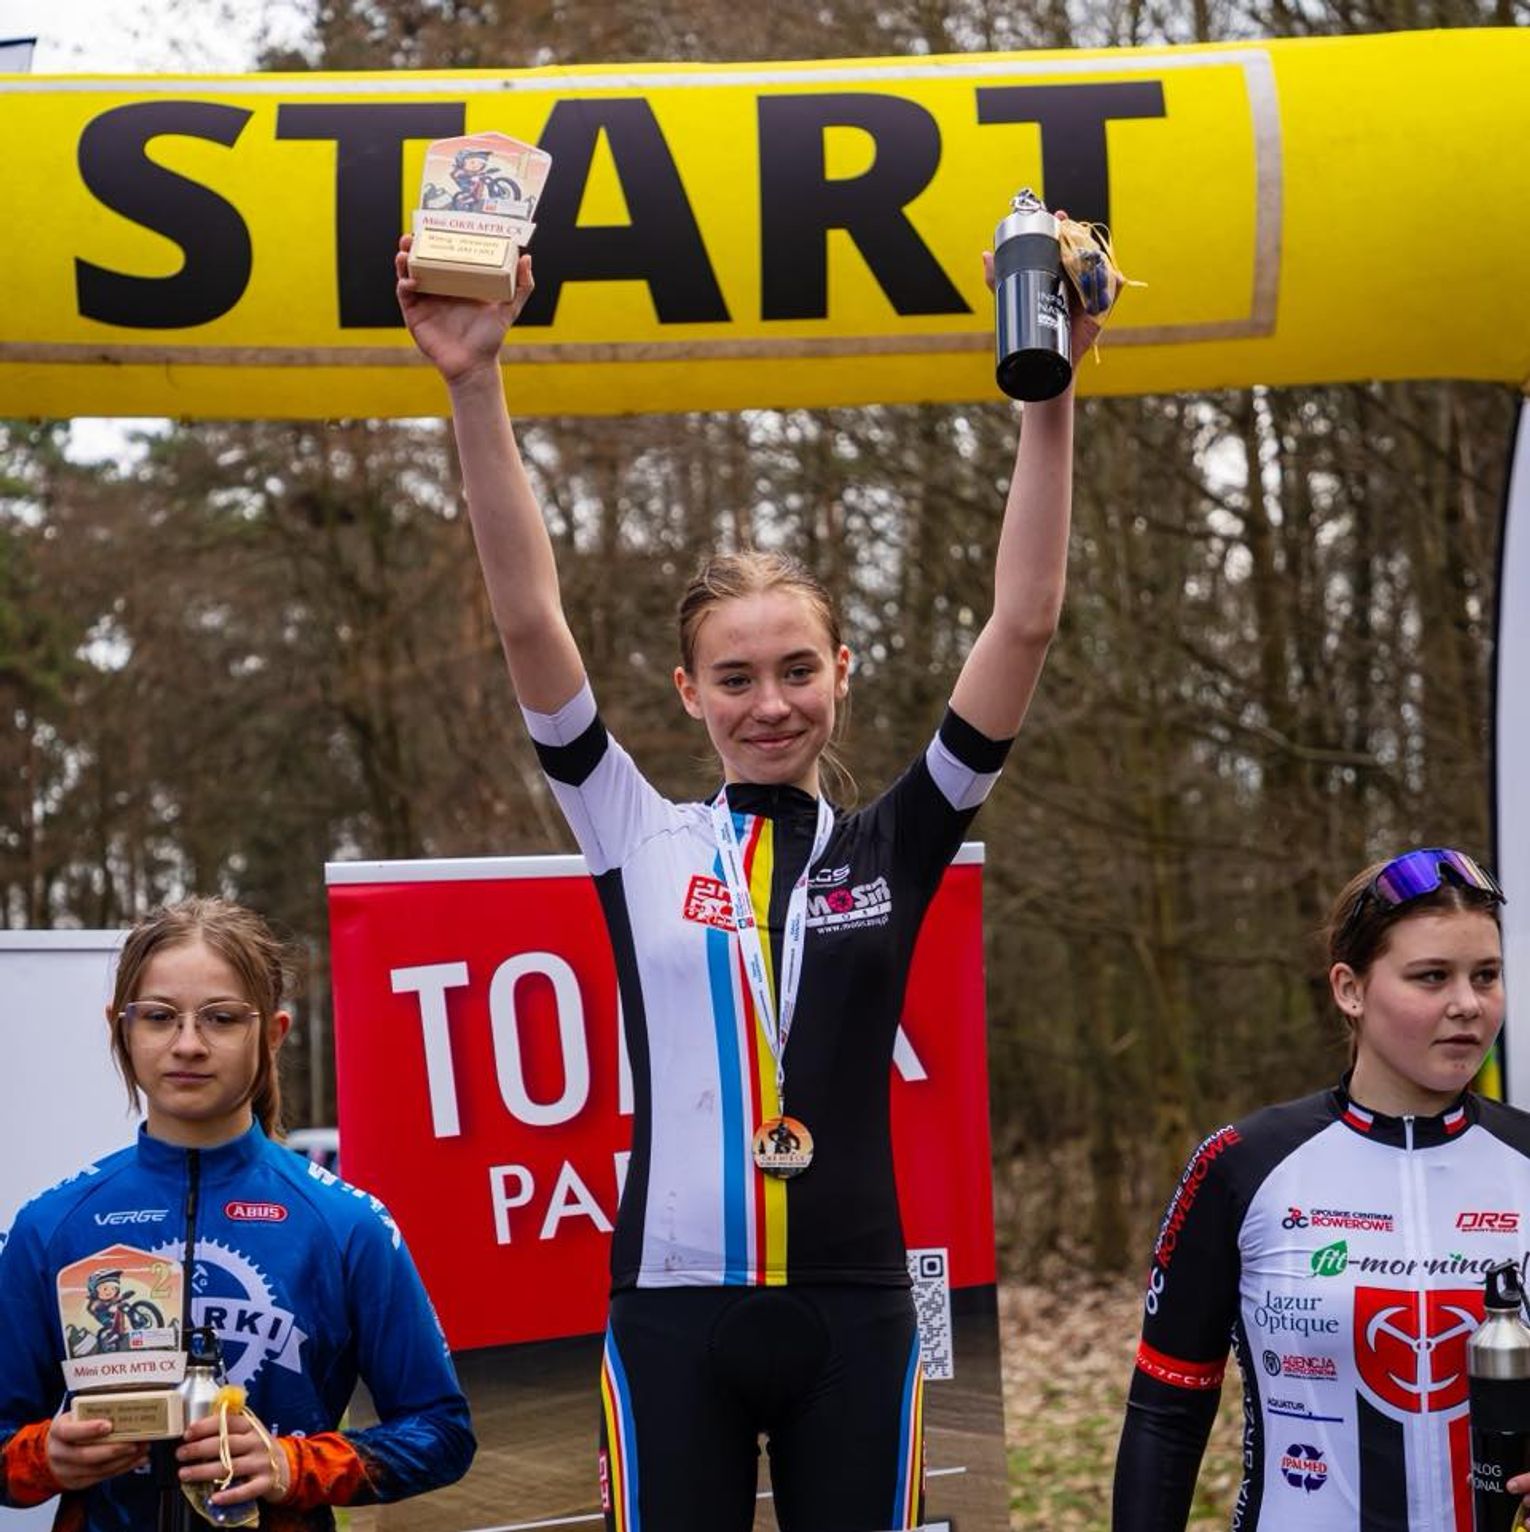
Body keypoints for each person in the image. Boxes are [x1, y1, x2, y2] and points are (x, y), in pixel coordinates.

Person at [398, 237, 1097, 1532]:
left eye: (795, 670)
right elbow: (529, 620)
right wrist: (473, 381)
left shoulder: (898, 840)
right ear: (688, 692)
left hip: (855, 1309)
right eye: (735, 677)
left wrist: (1049, 393)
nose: (769, 703)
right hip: (670, 1313)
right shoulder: (631, 831)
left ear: (842, 671)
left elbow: (1026, 618)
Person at [0, 897, 475, 1529]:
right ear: (121, 1028)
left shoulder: (347, 1224)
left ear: (272, 1034)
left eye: (221, 1019)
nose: (188, 1045)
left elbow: (442, 1433)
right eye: (159, 1017)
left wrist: (290, 1465)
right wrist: (42, 1457)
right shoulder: (50, 1226)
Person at [1112, 847, 1530, 1531]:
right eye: (1431, 977)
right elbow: (1165, 1415)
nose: (1467, 1005)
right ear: (1349, 989)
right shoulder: (1242, 1165)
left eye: (1485, 976)